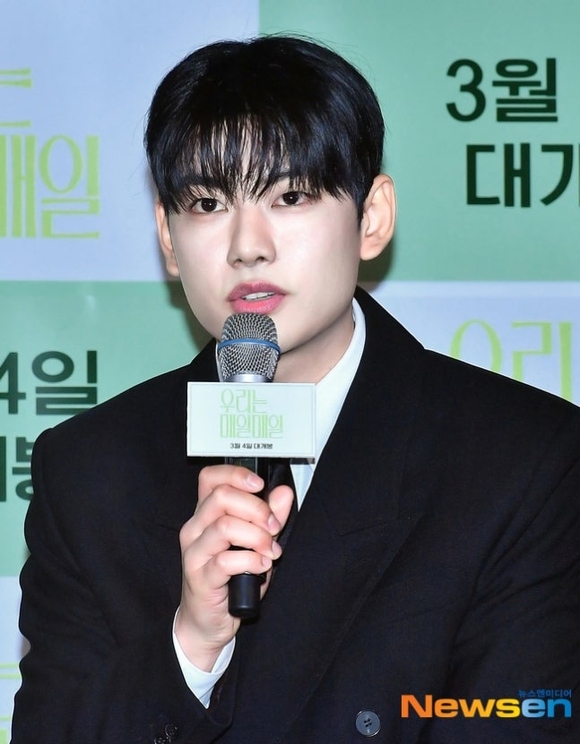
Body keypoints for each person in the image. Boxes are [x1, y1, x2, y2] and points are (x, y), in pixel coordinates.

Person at [11, 35, 580, 744]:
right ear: (167, 237)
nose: (248, 245)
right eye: (208, 202)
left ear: (372, 217)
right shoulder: (90, 471)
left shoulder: (522, 461)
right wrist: (190, 646)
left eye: (291, 195)